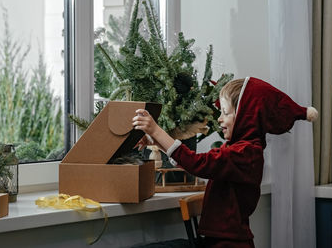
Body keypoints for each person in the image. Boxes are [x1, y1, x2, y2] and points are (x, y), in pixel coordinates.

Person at [132, 77, 318, 248]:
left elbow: (197, 163)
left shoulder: (245, 153)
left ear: (247, 116)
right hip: (218, 242)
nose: (219, 118)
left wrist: (156, 131)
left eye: (225, 112)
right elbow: (197, 162)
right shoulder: (239, 149)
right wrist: (157, 142)